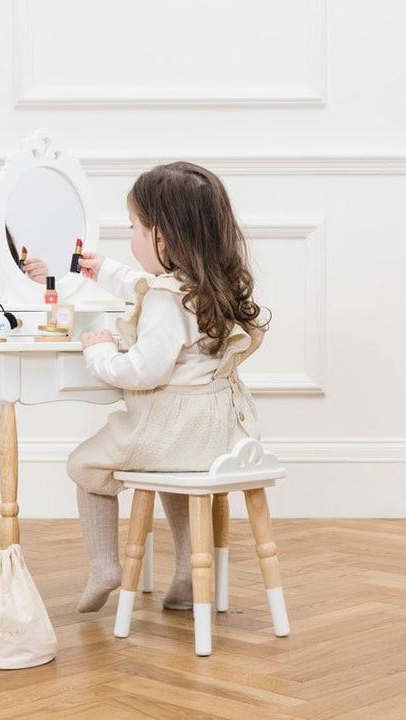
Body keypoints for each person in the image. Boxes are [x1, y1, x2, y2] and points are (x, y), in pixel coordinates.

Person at [68, 161, 269, 613]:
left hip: (173, 429)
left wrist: (100, 352)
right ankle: (186, 572)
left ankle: (105, 565)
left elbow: (143, 371)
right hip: (222, 435)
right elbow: (147, 283)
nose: (131, 237)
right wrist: (105, 271)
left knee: (84, 465)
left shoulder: (164, 301)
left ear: (160, 236)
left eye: (134, 227)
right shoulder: (212, 285)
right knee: (179, 475)